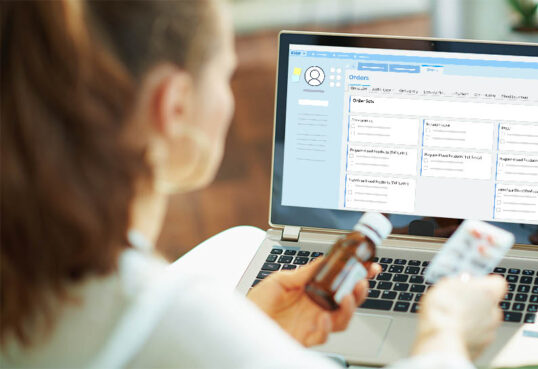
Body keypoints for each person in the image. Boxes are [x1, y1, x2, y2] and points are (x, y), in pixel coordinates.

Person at [0, 1, 506, 368]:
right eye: (226, 73)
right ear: (172, 106)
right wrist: (446, 334)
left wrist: (252, 332)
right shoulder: (164, 314)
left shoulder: (31, 264)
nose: (230, 95)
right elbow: (179, 340)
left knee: (245, 243)